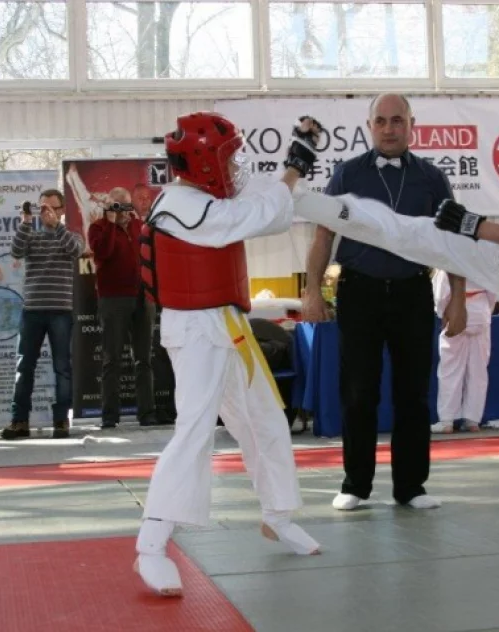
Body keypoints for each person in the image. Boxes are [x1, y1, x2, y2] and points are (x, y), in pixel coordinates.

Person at [292, 74, 499, 550]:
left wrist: (473, 227)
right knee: (413, 232)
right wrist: (465, 238)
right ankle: (292, 194)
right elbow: (468, 243)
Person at [134, 112, 323, 597]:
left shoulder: (203, 198)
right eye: (228, 156)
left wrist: (294, 162)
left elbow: (264, 205)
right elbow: (254, 216)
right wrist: (294, 171)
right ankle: (151, 546)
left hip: (227, 324)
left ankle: (277, 515)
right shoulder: (182, 205)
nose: (235, 165)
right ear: (202, 161)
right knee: (195, 430)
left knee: (265, 417)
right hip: (196, 332)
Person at [301, 93, 466, 513]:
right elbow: (323, 235)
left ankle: (411, 487)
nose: (390, 128)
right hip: (359, 292)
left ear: (412, 124)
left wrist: (458, 298)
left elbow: (453, 240)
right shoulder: (346, 174)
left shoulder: (432, 178)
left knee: (413, 394)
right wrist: (312, 290)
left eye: (398, 120)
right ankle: (355, 483)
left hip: (414, 292)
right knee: (358, 392)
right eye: (381, 121)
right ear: (369, 125)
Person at [1, 189, 84, 440]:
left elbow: (76, 251)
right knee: (24, 367)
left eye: (51, 207)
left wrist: (57, 226)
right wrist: (25, 223)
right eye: (42, 208)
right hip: (32, 310)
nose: (45, 212)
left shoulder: (70, 235)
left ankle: (61, 422)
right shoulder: (32, 236)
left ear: (61, 210)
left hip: (60, 311)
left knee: (62, 368)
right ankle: (19, 422)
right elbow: (16, 251)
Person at [88, 187, 155, 427]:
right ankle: (109, 416)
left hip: (141, 297)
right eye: (115, 205)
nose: (121, 210)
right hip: (113, 299)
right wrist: (110, 223)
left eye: (125, 205)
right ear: (107, 206)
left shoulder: (139, 227)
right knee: (112, 360)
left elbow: (150, 256)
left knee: (144, 359)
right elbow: (104, 251)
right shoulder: (97, 228)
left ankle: (147, 413)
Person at [429, 269, 496, 434]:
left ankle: (446, 421)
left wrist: (441, 311)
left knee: (450, 369)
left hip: (454, 310)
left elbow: (440, 294)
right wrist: (486, 310)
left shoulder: (450, 259)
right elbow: (494, 291)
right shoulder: (483, 258)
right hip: (481, 311)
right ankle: (472, 419)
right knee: (478, 369)